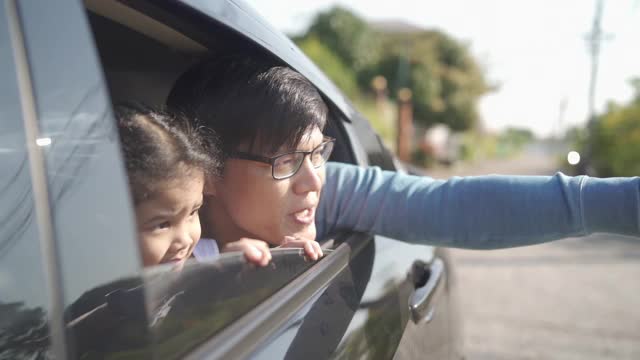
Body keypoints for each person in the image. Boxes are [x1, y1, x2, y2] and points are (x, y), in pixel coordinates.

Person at [166, 53, 639, 255]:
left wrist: (623, 203)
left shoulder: (316, 194)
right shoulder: (154, 249)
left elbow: (446, 207)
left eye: (318, 153)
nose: (314, 181)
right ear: (206, 170)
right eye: (285, 163)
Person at [115, 104, 321, 268]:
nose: (185, 239)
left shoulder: (208, 257)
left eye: (193, 212)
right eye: (162, 224)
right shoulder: (99, 297)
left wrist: (266, 262)